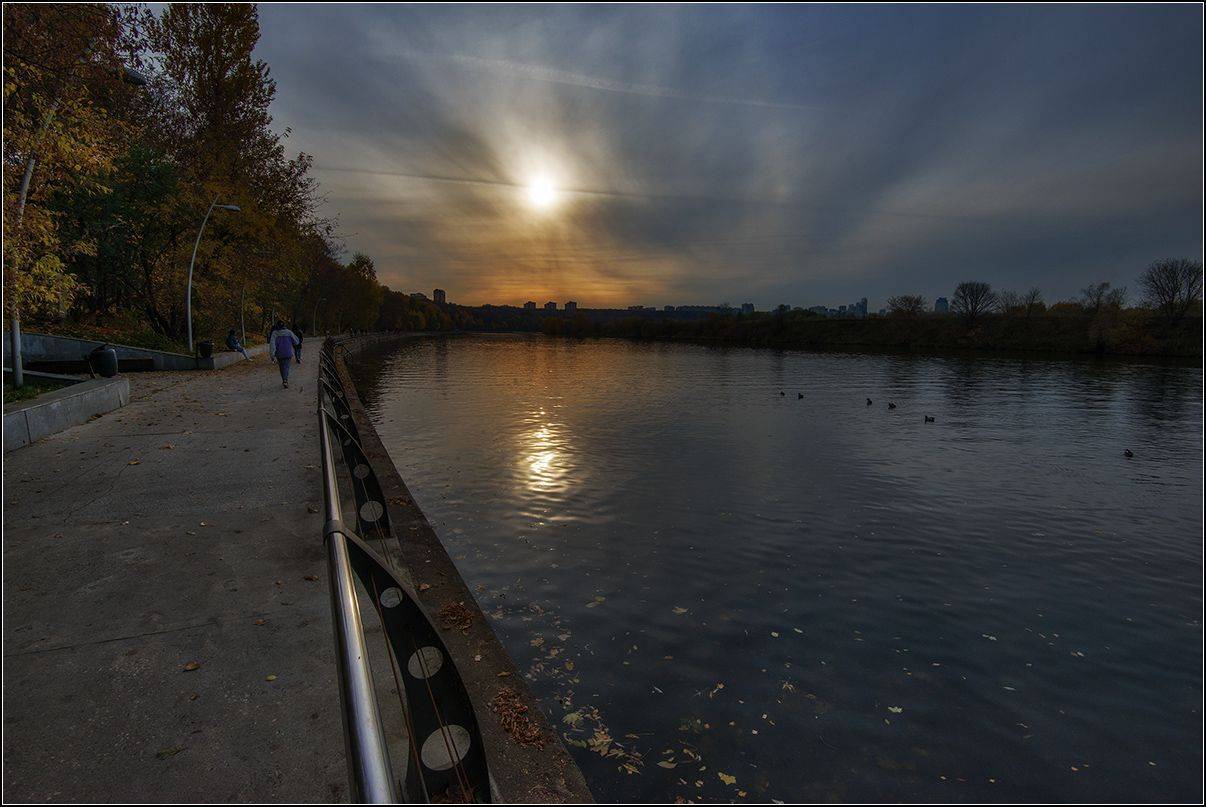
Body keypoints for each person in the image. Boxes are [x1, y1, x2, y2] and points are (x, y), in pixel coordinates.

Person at [268, 320, 300, 388]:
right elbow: (296, 341)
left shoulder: (274, 333)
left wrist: (272, 355)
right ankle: (285, 380)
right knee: (286, 367)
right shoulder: (289, 332)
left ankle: (284, 380)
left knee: (281, 368)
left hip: (279, 354)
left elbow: (272, 345)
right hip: (288, 353)